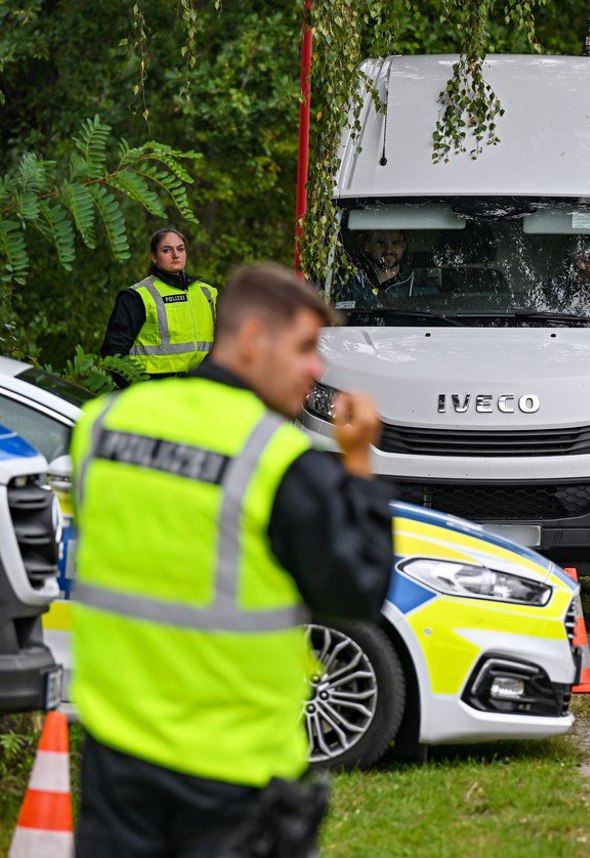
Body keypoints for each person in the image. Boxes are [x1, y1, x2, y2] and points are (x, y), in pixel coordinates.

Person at [72, 263, 395, 857]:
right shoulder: (277, 460)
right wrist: (358, 464)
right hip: (234, 781)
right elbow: (359, 590)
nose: (316, 369)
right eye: (304, 348)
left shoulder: (101, 427)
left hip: (116, 763)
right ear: (252, 341)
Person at [101, 227, 218, 383]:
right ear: (154, 257)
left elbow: (225, 344)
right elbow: (113, 352)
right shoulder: (137, 295)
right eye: (167, 250)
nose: (176, 255)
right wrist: (136, 391)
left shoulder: (207, 293)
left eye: (180, 249)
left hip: (199, 390)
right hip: (152, 390)